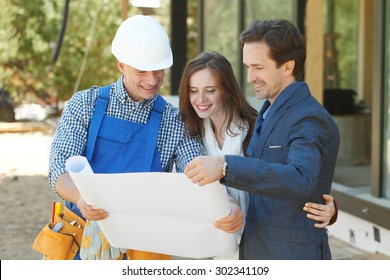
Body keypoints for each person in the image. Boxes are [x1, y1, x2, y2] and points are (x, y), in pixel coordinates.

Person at [48, 15, 242, 260]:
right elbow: (58, 168)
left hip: (144, 249)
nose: (152, 80)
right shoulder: (85, 104)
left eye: (158, 70)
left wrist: (230, 204)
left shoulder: (174, 121)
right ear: (121, 65)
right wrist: (80, 197)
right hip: (81, 241)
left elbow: (199, 173)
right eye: (141, 71)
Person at [184, 20, 340, 260]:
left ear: (287, 67)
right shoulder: (269, 112)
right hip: (254, 252)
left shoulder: (308, 116)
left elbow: (301, 178)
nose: (249, 77)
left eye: (257, 67)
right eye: (247, 67)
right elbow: (266, 181)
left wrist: (225, 166)